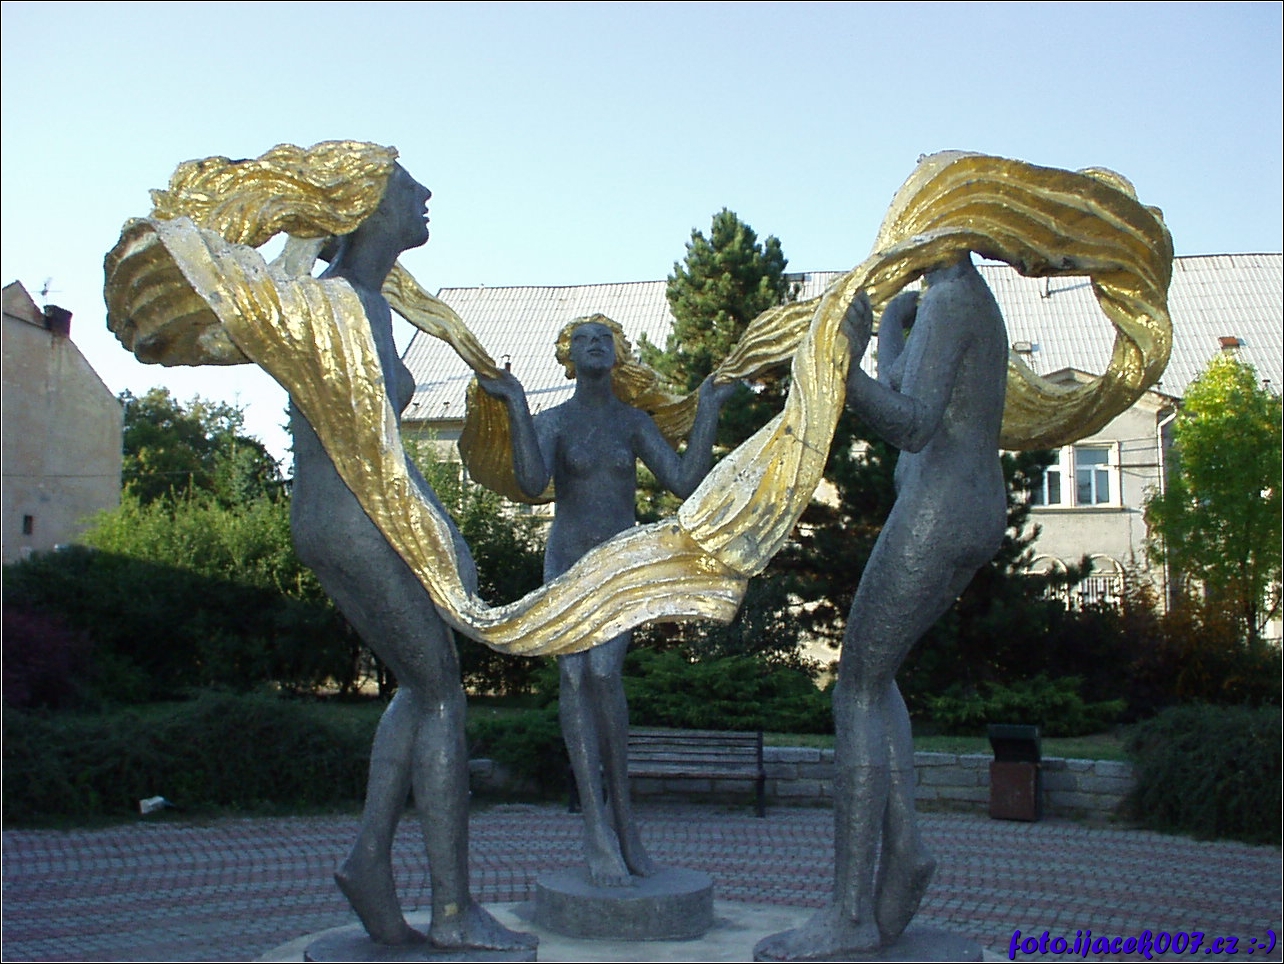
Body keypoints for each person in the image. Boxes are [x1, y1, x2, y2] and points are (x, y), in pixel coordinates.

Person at [110, 143, 534, 952]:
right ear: (368, 205)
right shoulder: (337, 304)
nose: (425, 194)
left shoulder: (356, 301)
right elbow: (369, 454)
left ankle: (370, 861)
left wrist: (438, 529)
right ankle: (452, 912)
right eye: (406, 184)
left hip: (344, 516)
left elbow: (380, 444)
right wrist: (436, 535)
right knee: (443, 696)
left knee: (422, 687)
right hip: (357, 517)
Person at [758, 252, 1008, 959]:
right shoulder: (953, 297)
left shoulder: (952, 299)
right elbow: (916, 383)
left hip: (940, 507)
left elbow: (914, 422)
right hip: (966, 505)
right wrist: (888, 333)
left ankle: (850, 914)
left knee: (856, 689)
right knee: (876, 677)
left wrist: (844, 368)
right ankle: (904, 855)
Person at [480, 316, 737, 887]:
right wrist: (516, 404)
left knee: (604, 674)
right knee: (575, 678)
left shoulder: (633, 422)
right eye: (583, 339)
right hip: (568, 564)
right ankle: (597, 830)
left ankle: (625, 824)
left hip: (619, 567)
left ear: (618, 354)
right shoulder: (556, 421)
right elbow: (530, 482)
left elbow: (683, 481)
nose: (595, 344)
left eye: (605, 339)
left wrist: (709, 407)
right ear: (567, 356)